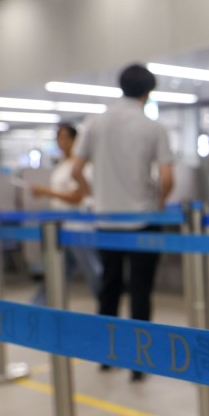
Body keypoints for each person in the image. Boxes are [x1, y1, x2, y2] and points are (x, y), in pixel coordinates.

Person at [72, 64, 174, 382]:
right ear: (148, 92)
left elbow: (76, 170)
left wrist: (93, 197)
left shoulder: (96, 123)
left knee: (108, 288)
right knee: (141, 291)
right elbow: (167, 178)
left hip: (105, 220)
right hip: (143, 219)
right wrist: (158, 203)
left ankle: (107, 355)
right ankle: (139, 362)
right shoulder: (152, 127)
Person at [30, 123, 102, 306]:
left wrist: (46, 191)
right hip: (62, 228)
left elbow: (79, 196)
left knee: (94, 273)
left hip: (79, 229)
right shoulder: (62, 165)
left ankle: (108, 309)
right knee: (56, 274)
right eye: (59, 137)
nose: (62, 142)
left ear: (75, 140)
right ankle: (37, 309)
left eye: (65, 137)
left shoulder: (81, 166)